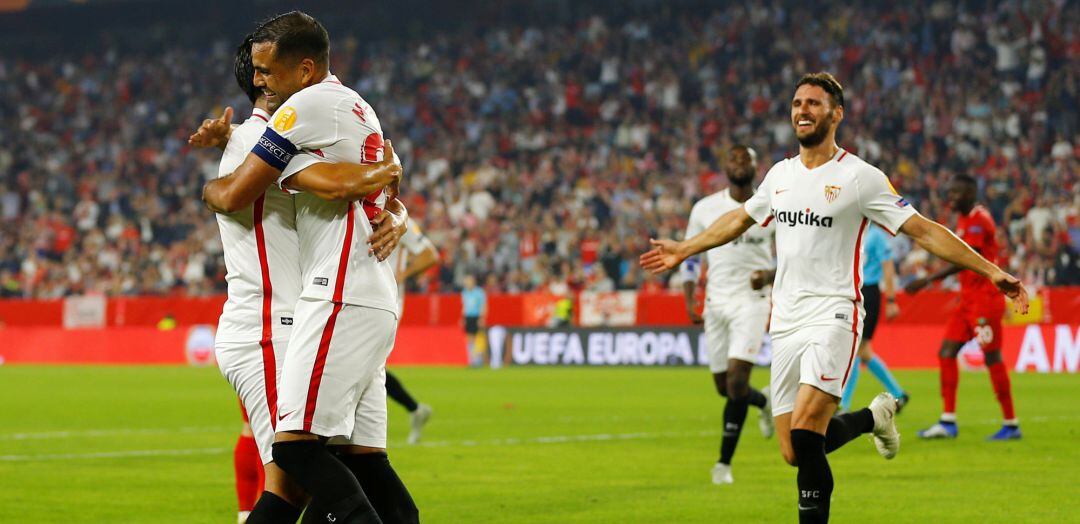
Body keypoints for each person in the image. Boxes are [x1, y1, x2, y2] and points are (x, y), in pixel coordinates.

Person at [641, 72, 1028, 523]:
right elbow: (740, 220)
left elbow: (922, 229)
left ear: (836, 114)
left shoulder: (860, 177)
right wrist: (685, 249)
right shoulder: (780, 175)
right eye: (797, 103)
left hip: (835, 314)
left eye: (814, 103)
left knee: (807, 436)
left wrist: (991, 270)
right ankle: (873, 417)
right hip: (785, 321)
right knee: (793, 451)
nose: (802, 110)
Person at [201, 12, 417, 523]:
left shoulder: (295, 123)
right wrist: (391, 179)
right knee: (305, 472)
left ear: (300, 71)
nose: (261, 79)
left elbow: (236, 193)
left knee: (312, 470)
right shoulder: (339, 113)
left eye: (267, 70)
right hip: (275, 321)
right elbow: (344, 181)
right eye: (256, 72)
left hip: (307, 312)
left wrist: (394, 205)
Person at [680, 145, 775, 485]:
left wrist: (769, 274)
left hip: (753, 300)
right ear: (725, 166)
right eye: (733, 158)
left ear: (755, 166)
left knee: (736, 380)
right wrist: (690, 296)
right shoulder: (705, 209)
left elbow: (797, 257)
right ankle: (763, 402)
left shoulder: (771, 207)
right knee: (725, 387)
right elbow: (690, 255)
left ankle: (723, 464)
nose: (738, 164)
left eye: (745, 159)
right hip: (716, 302)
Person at [907, 174, 1021, 441]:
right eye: (951, 192)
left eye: (957, 193)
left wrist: (928, 279)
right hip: (967, 300)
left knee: (992, 358)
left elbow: (968, 259)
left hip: (985, 301)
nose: (952, 197)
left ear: (971, 192)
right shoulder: (964, 220)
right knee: (946, 352)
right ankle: (948, 421)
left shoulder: (980, 220)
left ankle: (1011, 423)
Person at [838, 223, 909, 413]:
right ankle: (899, 394)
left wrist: (892, 299)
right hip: (852, 292)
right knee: (863, 351)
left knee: (855, 350)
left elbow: (888, 267)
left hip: (868, 293)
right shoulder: (850, 229)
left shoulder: (876, 236)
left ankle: (844, 404)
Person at [385, 217, 439, 444]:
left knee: (364, 367)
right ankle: (415, 409)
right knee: (366, 368)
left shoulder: (398, 217)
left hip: (388, 302)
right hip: (361, 299)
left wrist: (401, 277)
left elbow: (430, 255)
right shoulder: (360, 209)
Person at [461, 274, 487, 367]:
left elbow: (483, 306)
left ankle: (479, 360)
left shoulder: (479, 292)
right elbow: (464, 306)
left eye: (468, 282)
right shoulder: (464, 292)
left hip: (477, 317)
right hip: (468, 317)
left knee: (478, 338)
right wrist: (463, 318)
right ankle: (472, 360)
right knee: (469, 339)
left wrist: (482, 318)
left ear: (473, 282)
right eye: (466, 282)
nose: (467, 284)